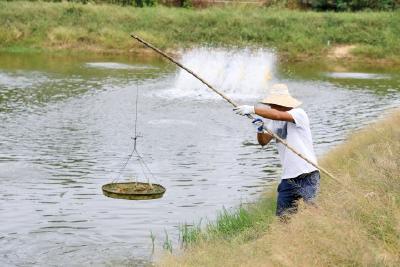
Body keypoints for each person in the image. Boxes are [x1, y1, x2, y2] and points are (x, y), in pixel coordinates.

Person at [234, 83, 320, 218]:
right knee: (283, 217)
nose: (270, 107)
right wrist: (260, 129)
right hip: (288, 177)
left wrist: (252, 109)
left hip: (307, 173)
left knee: (313, 210)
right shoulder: (274, 122)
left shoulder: (299, 114)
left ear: (281, 103)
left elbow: (278, 115)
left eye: (272, 104)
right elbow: (263, 142)